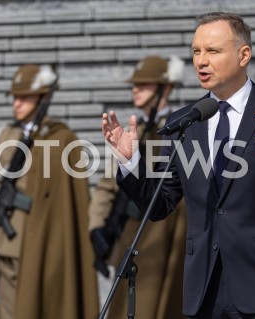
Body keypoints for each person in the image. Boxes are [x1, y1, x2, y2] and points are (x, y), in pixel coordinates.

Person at [102, 12, 255, 318]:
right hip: (205, 292)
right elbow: (160, 205)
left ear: (243, 55)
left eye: (213, 51)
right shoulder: (185, 122)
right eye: (196, 51)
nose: (201, 61)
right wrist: (130, 162)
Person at [0, 64, 99, 319]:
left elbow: (74, 200)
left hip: (49, 246)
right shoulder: (5, 136)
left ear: (43, 97)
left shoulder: (63, 139)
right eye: (15, 97)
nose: (17, 103)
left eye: (24, 97)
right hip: (11, 244)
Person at [89, 55, 186, 319]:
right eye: (135, 84)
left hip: (165, 236)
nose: (135, 89)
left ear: (164, 88)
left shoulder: (180, 130)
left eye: (144, 84)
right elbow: (109, 184)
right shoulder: (136, 130)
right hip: (132, 232)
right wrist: (97, 226)